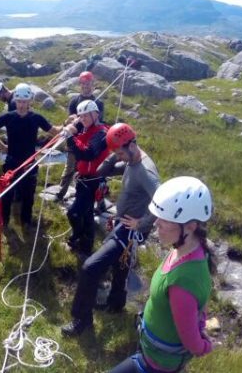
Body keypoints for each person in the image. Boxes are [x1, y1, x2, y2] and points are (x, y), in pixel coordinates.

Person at [62, 122, 160, 337]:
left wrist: (141, 224)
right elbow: (101, 171)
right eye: (116, 152)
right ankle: (116, 304)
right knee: (120, 264)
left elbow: (161, 201)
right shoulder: (132, 159)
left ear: (131, 145)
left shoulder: (145, 171)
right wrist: (114, 153)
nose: (118, 156)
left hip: (130, 230)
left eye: (119, 152)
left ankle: (82, 320)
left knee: (90, 267)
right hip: (122, 222)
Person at [110, 177, 216, 373]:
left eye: (165, 219)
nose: (156, 223)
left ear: (191, 226)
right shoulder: (187, 249)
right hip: (151, 353)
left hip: (156, 365)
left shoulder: (183, 282)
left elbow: (192, 342)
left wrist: (205, 347)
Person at [0, 83, 61, 233]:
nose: (21, 105)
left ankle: (26, 222)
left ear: (30, 102)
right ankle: (4, 221)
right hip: (12, 161)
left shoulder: (37, 118)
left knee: (28, 195)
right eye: (19, 102)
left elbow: (55, 132)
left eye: (25, 102)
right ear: (16, 101)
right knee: (7, 194)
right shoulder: (8, 117)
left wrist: (50, 144)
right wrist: (1, 146)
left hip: (30, 163)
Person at [62, 100, 110, 256]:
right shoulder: (87, 131)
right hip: (85, 179)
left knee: (74, 213)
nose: (83, 120)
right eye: (81, 117)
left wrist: (70, 137)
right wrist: (79, 170)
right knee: (87, 213)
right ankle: (86, 245)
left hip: (92, 182)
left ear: (96, 114)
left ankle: (77, 237)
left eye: (86, 116)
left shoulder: (101, 133)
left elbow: (89, 154)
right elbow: (81, 153)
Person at [57, 71, 106, 201]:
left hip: (91, 142)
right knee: (69, 168)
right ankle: (60, 193)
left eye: (88, 83)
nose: (85, 86)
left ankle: (98, 200)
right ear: (80, 84)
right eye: (83, 83)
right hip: (75, 140)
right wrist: (70, 120)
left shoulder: (98, 103)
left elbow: (98, 121)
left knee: (94, 171)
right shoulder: (74, 101)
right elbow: (68, 120)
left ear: (92, 83)